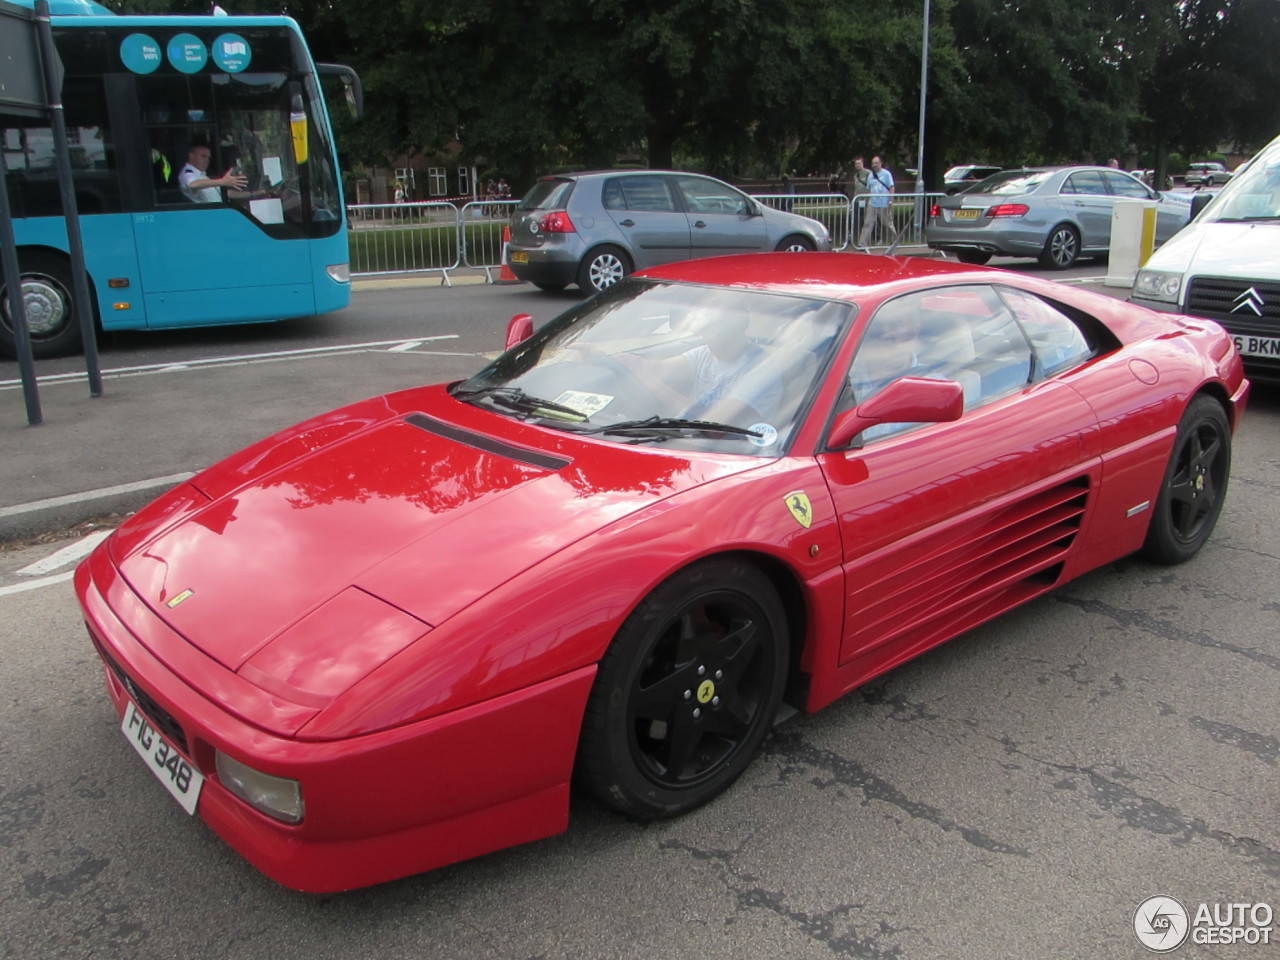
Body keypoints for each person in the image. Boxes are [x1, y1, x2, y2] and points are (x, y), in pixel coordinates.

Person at [178, 142, 246, 203]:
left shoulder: (202, 175)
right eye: (203, 156)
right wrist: (222, 181)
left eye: (208, 158)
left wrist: (252, 194)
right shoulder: (187, 173)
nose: (207, 160)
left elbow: (225, 194)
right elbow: (192, 184)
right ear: (191, 156)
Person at [856, 156, 894, 248]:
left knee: (888, 224)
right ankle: (862, 244)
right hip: (872, 203)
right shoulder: (870, 176)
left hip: (884, 203)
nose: (874, 165)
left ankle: (894, 242)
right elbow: (869, 189)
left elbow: (891, 187)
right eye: (873, 163)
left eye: (876, 163)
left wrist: (890, 201)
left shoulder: (886, 174)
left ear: (881, 163)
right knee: (867, 223)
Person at [847, 156, 871, 241]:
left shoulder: (868, 173)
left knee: (868, 219)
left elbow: (871, 186)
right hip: (857, 200)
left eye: (859, 163)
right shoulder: (855, 176)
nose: (857, 165)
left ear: (862, 164)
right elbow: (856, 189)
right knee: (853, 218)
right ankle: (852, 236)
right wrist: (853, 201)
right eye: (856, 164)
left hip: (867, 200)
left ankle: (872, 237)